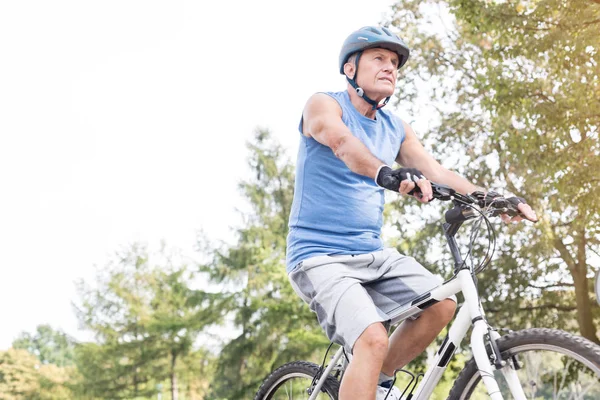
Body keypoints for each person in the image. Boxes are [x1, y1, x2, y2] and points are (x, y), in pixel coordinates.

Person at [286, 25, 538, 400]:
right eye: (378, 58)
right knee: (371, 338)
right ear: (350, 69)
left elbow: (437, 173)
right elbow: (341, 143)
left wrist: (491, 197)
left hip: (373, 253)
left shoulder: (395, 127)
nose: (390, 67)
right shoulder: (324, 105)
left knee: (442, 304)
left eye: (394, 62)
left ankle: (378, 382)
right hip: (320, 258)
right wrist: (385, 172)